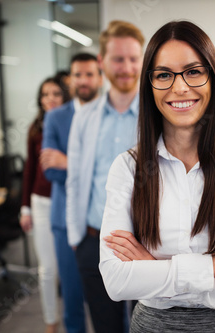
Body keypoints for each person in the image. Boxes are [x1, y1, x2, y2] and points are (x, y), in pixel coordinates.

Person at [98, 21, 215, 333]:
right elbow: (116, 282)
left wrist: (154, 270)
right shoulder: (127, 168)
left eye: (194, 71)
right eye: (163, 75)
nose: (179, 87)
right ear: (150, 85)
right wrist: (212, 267)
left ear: (213, 78)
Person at [65, 20, 144, 333]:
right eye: (118, 59)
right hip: (94, 241)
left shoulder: (158, 116)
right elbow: (74, 179)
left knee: (145, 327)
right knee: (105, 326)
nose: (126, 67)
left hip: (146, 246)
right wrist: (76, 237)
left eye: (133, 58)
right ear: (102, 62)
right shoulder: (85, 117)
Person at [42, 53, 102, 333]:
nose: (84, 80)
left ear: (100, 77)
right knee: (72, 299)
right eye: (78, 75)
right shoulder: (55, 117)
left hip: (103, 222)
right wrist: (88, 167)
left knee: (112, 301)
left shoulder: (110, 113)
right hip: (64, 222)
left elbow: (115, 166)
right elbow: (50, 171)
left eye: (90, 74)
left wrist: (70, 162)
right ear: (71, 79)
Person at [20, 77, 69, 333]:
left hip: (68, 201)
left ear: (65, 97)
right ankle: (51, 323)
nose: (49, 98)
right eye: (45, 94)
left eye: (55, 94)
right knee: (48, 269)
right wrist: (25, 207)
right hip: (40, 202)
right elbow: (29, 170)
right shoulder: (35, 129)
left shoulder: (73, 123)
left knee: (72, 269)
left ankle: (75, 319)